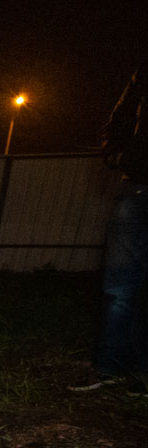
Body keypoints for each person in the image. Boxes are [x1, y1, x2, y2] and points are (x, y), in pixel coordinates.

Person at [70, 61, 148, 395]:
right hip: (138, 185)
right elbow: (121, 115)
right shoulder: (144, 72)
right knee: (119, 285)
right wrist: (119, 154)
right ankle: (108, 367)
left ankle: (142, 372)